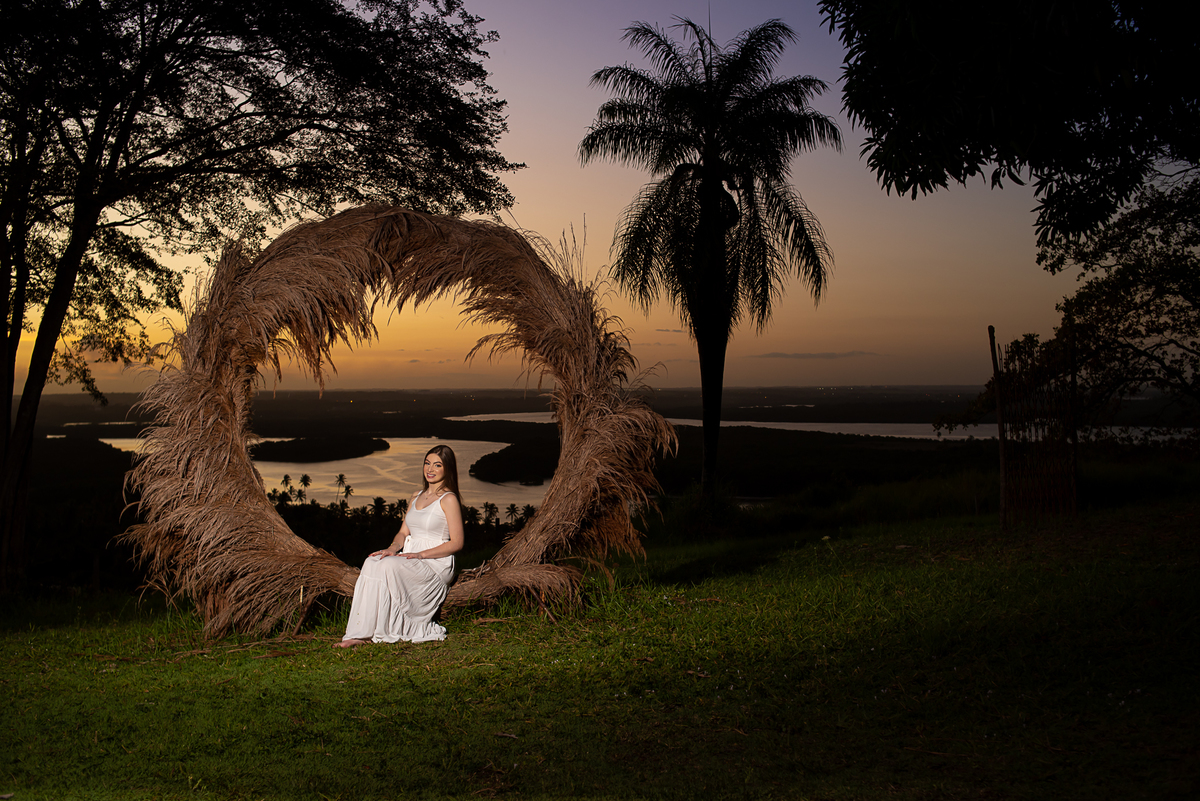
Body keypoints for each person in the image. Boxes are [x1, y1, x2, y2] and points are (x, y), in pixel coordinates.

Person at [334, 445, 464, 646]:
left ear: (447, 469)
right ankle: (359, 633)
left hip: (436, 562)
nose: (430, 469)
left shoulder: (449, 499)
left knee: (386, 566)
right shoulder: (416, 496)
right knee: (372, 561)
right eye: (427, 463)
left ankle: (385, 630)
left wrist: (421, 555)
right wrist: (392, 548)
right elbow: (404, 532)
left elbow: (457, 543)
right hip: (410, 557)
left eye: (437, 465)